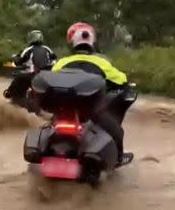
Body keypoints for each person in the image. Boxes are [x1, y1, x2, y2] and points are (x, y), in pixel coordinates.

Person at [51, 22, 132, 164]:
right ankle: (119, 158)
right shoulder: (102, 63)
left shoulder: (61, 63)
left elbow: (50, 79)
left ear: (71, 42)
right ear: (92, 41)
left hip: (63, 112)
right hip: (92, 112)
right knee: (117, 132)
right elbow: (121, 81)